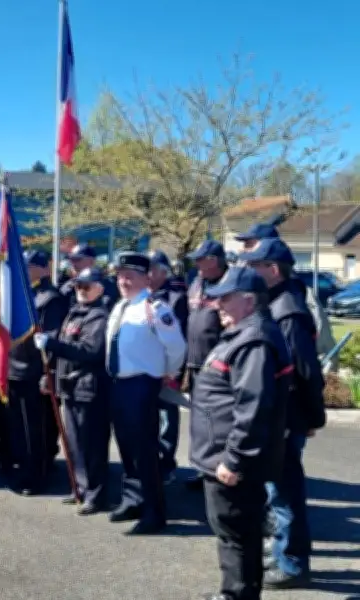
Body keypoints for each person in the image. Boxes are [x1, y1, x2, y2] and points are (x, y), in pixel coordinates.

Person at [189, 265, 290, 600]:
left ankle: (238, 595)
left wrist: (234, 461)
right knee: (231, 532)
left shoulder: (254, 341)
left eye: (225, 299)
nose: (217, 305)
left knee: (237, 534)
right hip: (219, 455)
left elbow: (253, 408)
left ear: (249, 301)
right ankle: (233, 593)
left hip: (231, 462)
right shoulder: (242, 335)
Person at [240, 238, 327, 589]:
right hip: (277, 415)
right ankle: (283, 552)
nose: (248, 272)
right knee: (275, 489)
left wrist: (310, 419)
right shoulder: (277, 302)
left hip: (287, 417)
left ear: (272, 270)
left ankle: (291, 563)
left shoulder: (288, 311)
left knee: (284, 491)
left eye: (254, 266)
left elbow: (305, 372)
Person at [105, 252, 186, 535]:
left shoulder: (155, 308)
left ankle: (154, 512)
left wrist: (168, 373)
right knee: (126, 448)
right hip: (118, 384)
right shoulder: (121, 307)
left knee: (145, 452)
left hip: (141, 385)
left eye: (130, 276)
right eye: (120, 276)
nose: (124, 281)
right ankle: (132, 500)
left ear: (145, 278)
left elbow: (176, 347)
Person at [35, 267, 110, 515]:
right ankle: (79, 488)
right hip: (70, 387)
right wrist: (51, 377)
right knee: (75, 443)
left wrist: (53, 343)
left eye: (86, 286)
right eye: (78, 286)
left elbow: (89, 351)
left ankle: (95, 495)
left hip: (89, 389)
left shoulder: (98, 317)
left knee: (91, 445)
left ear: (99, 288)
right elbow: (61, 351)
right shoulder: (74, 313)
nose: (80, 290)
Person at [11, 250, 68, 494]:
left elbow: (52, 339)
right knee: (19, 429)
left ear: (45, 269)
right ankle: (23, 470)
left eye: (30, 266)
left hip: (35, 371)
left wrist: (49, 374)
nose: (25, 270)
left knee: (36, 430)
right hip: (15, 370)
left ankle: (36, 476)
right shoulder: (23, 295)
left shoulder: (51, 299)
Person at [234, 221, 335, 356]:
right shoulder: (254, 285)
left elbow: (319, 336)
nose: (243, 249)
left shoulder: (295, 291)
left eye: (249, 244)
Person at [184, 239, 228, 491]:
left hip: (218, 367)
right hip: (195, 364)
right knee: (200, 422)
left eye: (201, 259)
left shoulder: (228, 283)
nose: (197, 264)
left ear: (214, 260)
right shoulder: (198, 282)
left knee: (217, 422)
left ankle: (218, 469)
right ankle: (203, 469)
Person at [147, 250, 189, 485]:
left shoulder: (175, 298)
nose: (148, 273)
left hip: (165, 370)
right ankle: (151, 462)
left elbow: (180, 339)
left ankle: (165, 465)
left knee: (166, 421)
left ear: (164, 272)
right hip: (145, 369)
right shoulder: (142, 296)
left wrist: (174, 372)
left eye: (152, 269)